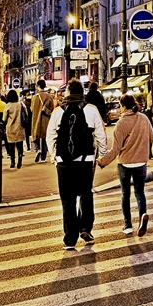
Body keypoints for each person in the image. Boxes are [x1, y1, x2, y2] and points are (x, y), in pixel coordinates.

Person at [47, 78, 108, 249]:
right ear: (83, 93)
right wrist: (102, 154)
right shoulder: (91, 110)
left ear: (68, 93)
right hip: (86, 160)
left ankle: (70, 238)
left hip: (64, 162)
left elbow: (50, 135)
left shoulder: (58, 111)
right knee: (85, 194)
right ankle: (85, 227)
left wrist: (54, 156)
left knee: (67, 199)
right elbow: (101, 135)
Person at [97, 94, 153, 236]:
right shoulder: (144, 119)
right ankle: (142, 216)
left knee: (125, 194)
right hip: (141, 162)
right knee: (140, 193)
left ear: (123, 106)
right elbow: (152, 137)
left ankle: (128, 225)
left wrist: (102, 161)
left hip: (125, 163)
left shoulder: (121, 124)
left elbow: (115, 150)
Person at [30, 79, 55, 163]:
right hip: (45, 119)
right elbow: (52, 107)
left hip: (36, 119)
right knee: (44, 138)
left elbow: (32, 109)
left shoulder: (35, 97)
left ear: (38, 86)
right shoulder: (49, 96)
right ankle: (43, 157)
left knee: (35, 136)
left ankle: (38, 149)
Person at [3, 89, 25, 169]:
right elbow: (25, 114)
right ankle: (20, 159)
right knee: (20, 145)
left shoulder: (7, 106)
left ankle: (12, 161)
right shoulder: (20, 104)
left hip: (10, 127)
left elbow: (4, 118)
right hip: (20, 127)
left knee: (11, 146)